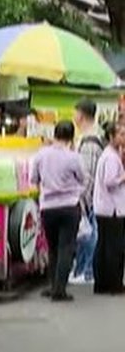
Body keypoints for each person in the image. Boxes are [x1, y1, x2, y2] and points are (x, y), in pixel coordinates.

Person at [31, 120, 85, 302]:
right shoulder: (74, 157)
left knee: (53, 247)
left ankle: (52, 284)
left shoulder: (41, 155)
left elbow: (34, 178)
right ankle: (59, 289)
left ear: (55, 134)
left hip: (48, 206)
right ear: (71, 137)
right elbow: (82, 178)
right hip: (69, 205)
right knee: (66, 247)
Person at [69, 99, 103, 284]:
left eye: (75, 112)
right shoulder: (89, 138)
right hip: (90, 198)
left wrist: (82, 199)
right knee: (85, 233)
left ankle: (87, 271)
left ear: (81, 114)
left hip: (88, 199)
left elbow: (87, 175)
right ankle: (81, 269)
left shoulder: (89, 141)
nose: (74, 116)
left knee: (89, 233)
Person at [92, 122, 125, 295]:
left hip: (105, 207)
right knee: (114, 248)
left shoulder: (110, 155)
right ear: (111, 137)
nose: (123, 138)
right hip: (112, 209)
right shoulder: (111, 157)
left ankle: (102, 283)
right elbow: (110, 181)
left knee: (104, 246)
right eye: (120, 134)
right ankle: (114, 284)